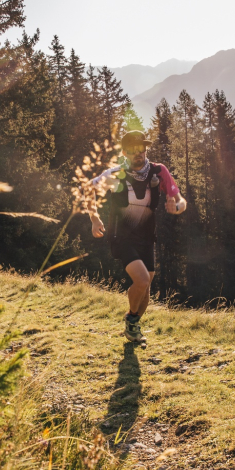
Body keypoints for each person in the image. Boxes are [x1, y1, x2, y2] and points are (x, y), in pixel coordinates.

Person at [90, 130, 187, 344]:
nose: (139, 153)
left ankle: (133, 327)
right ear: (125, 152)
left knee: (146, 286)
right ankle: (131, 320)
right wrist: (94, 218)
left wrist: (177, 207)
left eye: (142, 148)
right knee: (142, 280)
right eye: (133, 149)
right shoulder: (115, 174)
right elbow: (90, 188)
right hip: (121, 236)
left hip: (147, 237)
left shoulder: (158, 171)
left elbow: (180, 200)